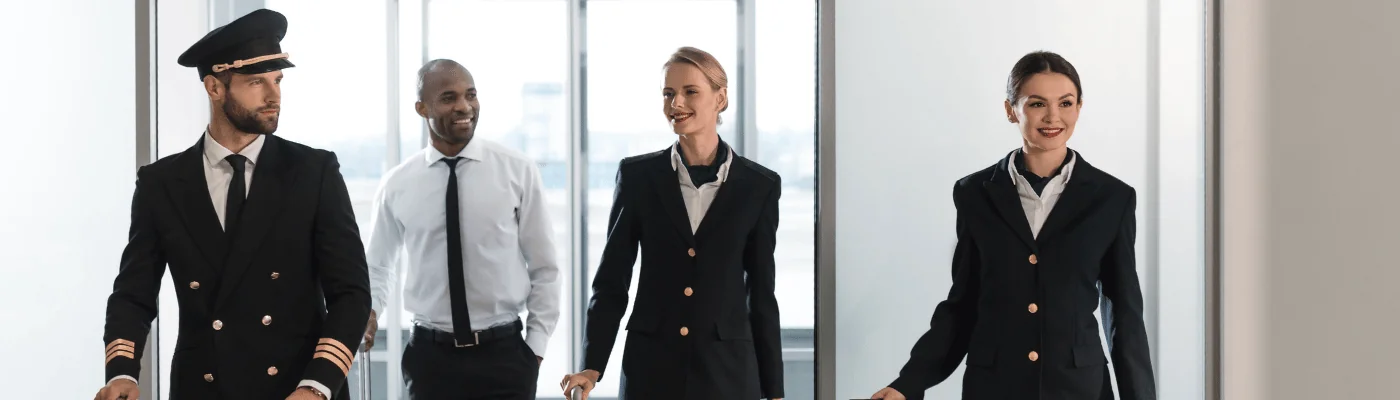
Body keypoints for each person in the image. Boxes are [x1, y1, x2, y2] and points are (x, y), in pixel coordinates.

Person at [93, 9, 372, 400]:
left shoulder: (313, 171)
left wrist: (318, 385)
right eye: (256, 82)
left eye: (277, 80)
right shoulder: (161, 183)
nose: (274, 95)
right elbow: (133, 294)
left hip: (298, 388)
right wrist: (122, 373)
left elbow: (351, 294)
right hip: (204, 387)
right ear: (214, 88)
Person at [869, 51, 1156, 400]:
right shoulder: (973, 193)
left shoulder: (1112, 198)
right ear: (1010, 110)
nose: (1053, 116)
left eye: (1065, 103)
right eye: (1037, 104)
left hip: (1079, 389)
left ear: (1079, 107)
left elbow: (1123, 314)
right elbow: (964, 304)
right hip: (994, 387)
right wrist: (908, 383)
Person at [560, 46, 784, 400]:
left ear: (720, 98)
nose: (675, 103)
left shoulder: (760, 186)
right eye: (668, 93)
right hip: (651, 370)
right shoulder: (637, 177)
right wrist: (592, 365)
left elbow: (761, 296)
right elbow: (611, 282)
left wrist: (774, 391)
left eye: (690, 91)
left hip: (729, 374)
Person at [362, 59, 561, 400]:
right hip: (431, 361)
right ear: (421, 107)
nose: (464, 106)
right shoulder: (397, 184)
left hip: (506, 358)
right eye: (449, 97)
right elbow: (379, 266)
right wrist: (370, 311)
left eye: (471, 95)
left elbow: (545, 267)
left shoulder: (518, 171)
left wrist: (535, 348)